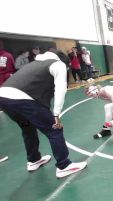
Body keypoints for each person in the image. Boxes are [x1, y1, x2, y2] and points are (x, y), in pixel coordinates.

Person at [0, 50, 87, 178]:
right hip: (23, 98)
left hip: (3, 97)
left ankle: (33, 160)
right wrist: (56, 114)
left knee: (27, 127)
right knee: (55, 129)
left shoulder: (35, 63)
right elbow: (60, 89)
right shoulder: (58, 64)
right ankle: (64, 165)